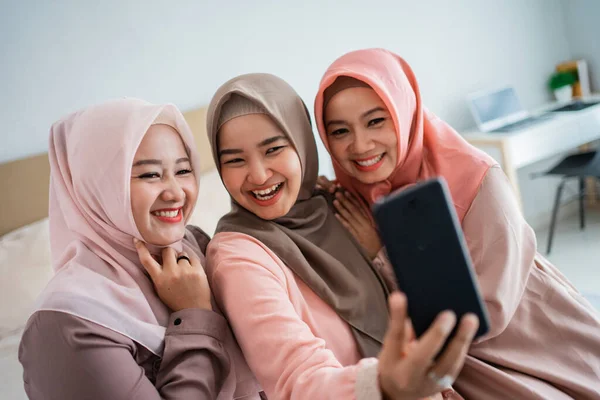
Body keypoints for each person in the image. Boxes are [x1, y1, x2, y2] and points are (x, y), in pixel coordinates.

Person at [314, 48, 600, 399]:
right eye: (340, 131)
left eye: (376, 121)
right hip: (448, 364)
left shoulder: (477, 178)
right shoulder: (353, 192)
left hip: (527, 336)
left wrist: (381, 252)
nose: (360, 145)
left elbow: (486, 313)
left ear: (405, 113)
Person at [202, 73, 479, 400]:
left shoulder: (337, 206)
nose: (259, 175)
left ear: (302, 143)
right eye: (235, 160)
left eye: (273, 149)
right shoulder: (238, 257)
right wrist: (384, 385)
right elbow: (296, 377)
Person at [19, 98, 261, 399]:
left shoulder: (195, 247)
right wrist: (193, 313)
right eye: (150, 174)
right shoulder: (66, 324)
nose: (175, 193)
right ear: (97, 186)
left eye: (183, 170)